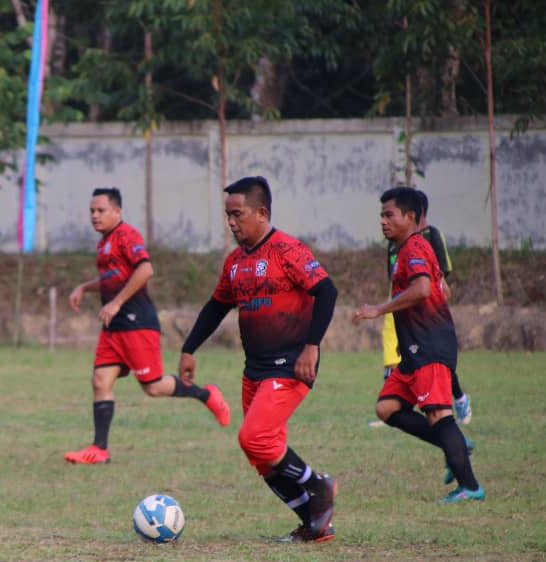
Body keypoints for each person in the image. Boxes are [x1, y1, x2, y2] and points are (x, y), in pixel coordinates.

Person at [178, 176, 339, 542]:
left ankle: (320, 485)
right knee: (262, 458)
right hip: (255, 369)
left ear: (262, 212)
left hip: (293, 362)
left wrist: (311, 346)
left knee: (255, 437)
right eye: (227, 216)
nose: (231, 223)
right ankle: (314, 524)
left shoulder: (287, 250)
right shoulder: (235, 262)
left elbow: (327, 291)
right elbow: (217, 305)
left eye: (238, 215)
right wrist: (189, 348)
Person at [64, 187, 231, 464]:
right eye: (92, 211)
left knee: (152, 387)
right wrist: (85, 287)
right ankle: (100, 450)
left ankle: (206, 394)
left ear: (117, 211)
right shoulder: (104, 242)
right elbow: (113, 278)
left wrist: (116, 303)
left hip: (136, 323)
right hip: (114, 327)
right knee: (100, 381)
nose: (95, 215)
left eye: (101, 210)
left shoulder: (127, 235)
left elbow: (145, 269)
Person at [352, 186, 484, 503]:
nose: (383, 221)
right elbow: (438, 290)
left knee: (439, 414)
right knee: (387, 408)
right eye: (381, 215)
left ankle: (470, 487)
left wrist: (379, 309)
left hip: (428, 343)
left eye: (389, 215)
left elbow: (424, 289)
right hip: (413, 348)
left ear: (410, 217)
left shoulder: (413, 248)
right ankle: (453, 440)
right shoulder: (404, 250)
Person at [415, 190, 472, 426]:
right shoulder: (402, 242)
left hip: (431, 314)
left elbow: (442, 276)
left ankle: (458, 399)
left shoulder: (431, 235)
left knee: (438, 362)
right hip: (411, 314)